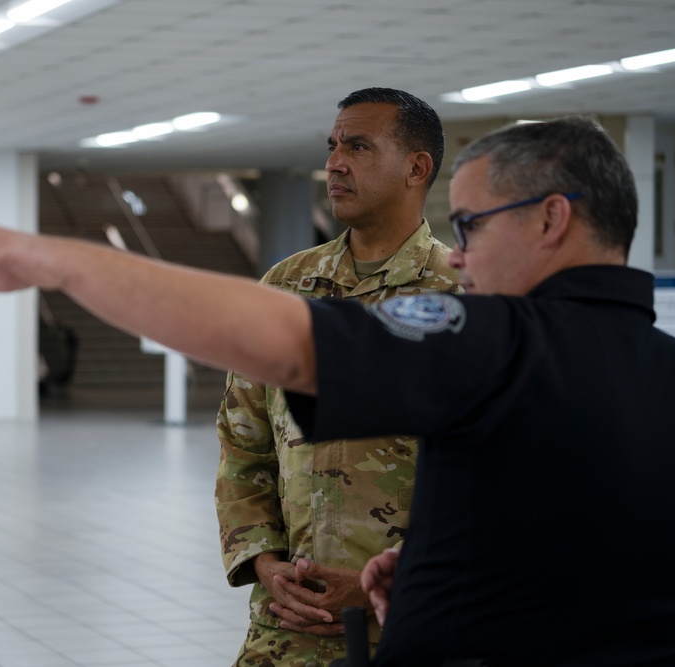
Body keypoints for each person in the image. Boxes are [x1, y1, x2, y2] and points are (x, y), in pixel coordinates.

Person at [0, 115, 675, 666]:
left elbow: (281, 336)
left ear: (552, 217)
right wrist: (434, 565)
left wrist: (51, 260)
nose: (458, 257)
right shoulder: (674, 371)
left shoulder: (501, 338)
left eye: (473, 226)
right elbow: (597, 537)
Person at [214, 87, 458, 667]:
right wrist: (265, 564)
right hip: (289, 628)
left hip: (414, 626)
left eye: (358, 146)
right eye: (332, 146)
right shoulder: (287, 287)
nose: (334, 163)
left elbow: (498, 481)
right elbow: (242, 444)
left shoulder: (464, 296)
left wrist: (394, 585)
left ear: (415, 168)